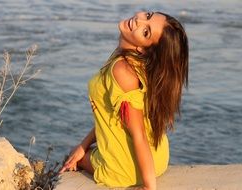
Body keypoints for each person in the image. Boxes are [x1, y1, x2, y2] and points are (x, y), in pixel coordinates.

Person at [59, 11, 189, 190]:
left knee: (70, 159)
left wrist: (149, 187)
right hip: (157, 158)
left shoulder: (123, 70)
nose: (139, 20)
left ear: (142, 48)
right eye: (148, 15)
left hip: (125, 169)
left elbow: (139, 134)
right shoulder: (139, 65)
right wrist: (83, 145)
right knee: (78, 152)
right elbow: (112, 117)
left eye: (146, 32)